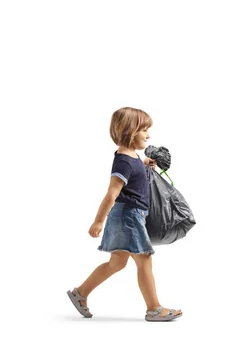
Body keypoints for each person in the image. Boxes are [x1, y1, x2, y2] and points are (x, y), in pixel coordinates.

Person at [67, 107, 183, 322]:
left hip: (128, 215)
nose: (148, 135)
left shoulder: (131, 157)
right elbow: (112, 193)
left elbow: (134, 170)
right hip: (128, 216)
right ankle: (154, 309)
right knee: (144, 260)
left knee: (117, 263)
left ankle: (79, 293)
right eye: (144, 130)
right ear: (130, 130)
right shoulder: (123, 161)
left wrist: (145, 163)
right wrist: (98, 221)